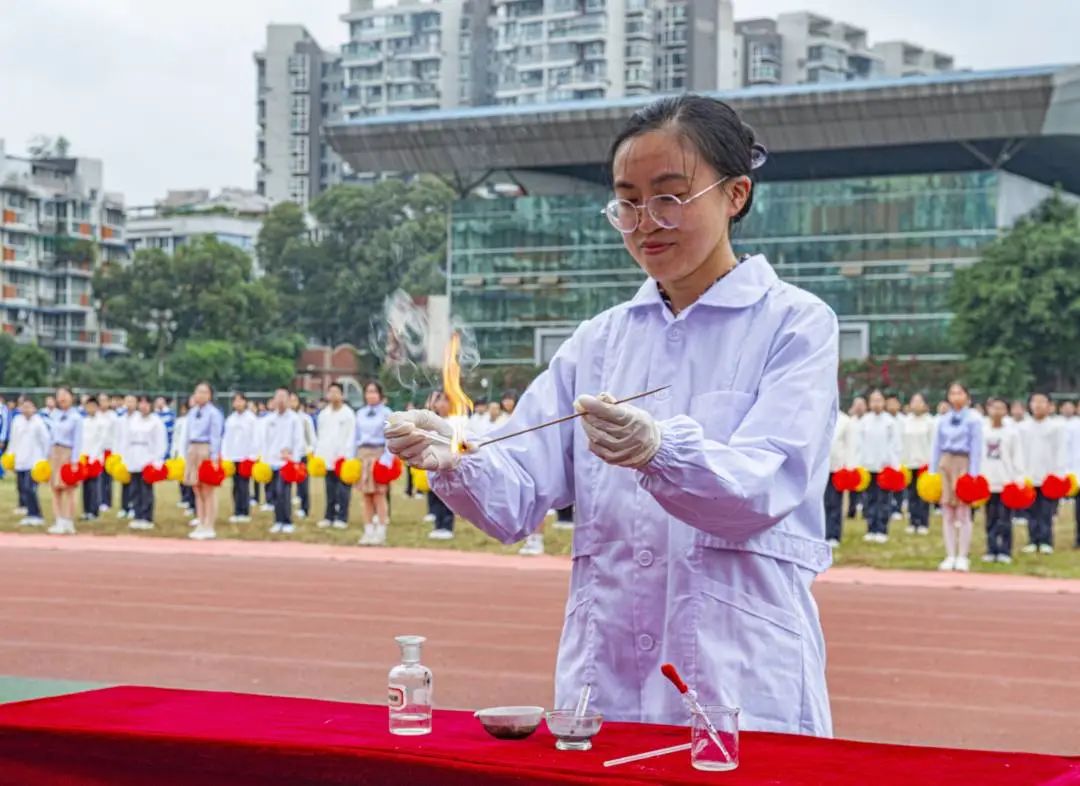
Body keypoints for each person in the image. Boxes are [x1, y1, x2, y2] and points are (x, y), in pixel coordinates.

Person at [387, 95, 837, 734]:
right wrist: (458, 455)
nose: (645, 221)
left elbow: (766, 485)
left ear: (735, 194)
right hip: (609, 675)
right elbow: (517, 495)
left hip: (739, 668)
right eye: (627, 202)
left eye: (669, 196)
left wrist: (664, 453)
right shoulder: (599, 342)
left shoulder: (795, 325)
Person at [931, 382, 983, 572]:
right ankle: (950, 554)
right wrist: (932, 471)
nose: (955, 397)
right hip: (946, 461)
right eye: (952, 393)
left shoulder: (974, 419)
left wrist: (974, 474)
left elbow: (977, 448)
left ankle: (963, 555)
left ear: (967, 397)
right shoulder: (943, 419)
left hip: (964, 461)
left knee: (963, 511)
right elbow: (936, 446)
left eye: (959, 393)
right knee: (947, 511)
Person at [1019, 392, 1067, 555]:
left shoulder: (1055, 428)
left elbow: (1060, 451)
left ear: (1049, 406)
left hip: (1049, 475)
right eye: (1035, 402)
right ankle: (1033, 540)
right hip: (1029, 473)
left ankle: (1046, 540)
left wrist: (1059, 473)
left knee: (1046, 510)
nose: (1038, 405)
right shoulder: (1023, 427)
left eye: (1042, 402)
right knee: (1031, 510)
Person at [981, 396, 1024, 564]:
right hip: (987, 481)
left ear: (1006, 411)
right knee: (990, 518)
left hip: (1006, 481)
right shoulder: (982, 430)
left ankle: (1005, 549)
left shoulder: (1012, 432)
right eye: (994, 407)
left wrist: (1018, 478)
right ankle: (992, 549)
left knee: (1005, 518)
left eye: (1001, 408)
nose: (997, 411)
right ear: (988, 409)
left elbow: (1017, 456)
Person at [858, 390, 901, 543]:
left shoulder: (890, 421)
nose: (876, 403)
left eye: (879, 400)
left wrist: (893, 466)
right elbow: (859, 444)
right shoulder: (864, 421)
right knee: (869, 499)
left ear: (884, 402)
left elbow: (895, 445)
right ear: (869, 403)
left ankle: (882, 529)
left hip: (885, 467)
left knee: (884, 500)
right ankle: (871, 528)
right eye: (873, 400)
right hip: (868, 466)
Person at [184, 382, 225, 541]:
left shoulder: (214, 413)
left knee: (208, 489)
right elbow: (187, 434)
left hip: (205, 448)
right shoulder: (192, 412)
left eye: (203, 392)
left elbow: (216, 436)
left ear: (209, 395)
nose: (200, 395)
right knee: (196, 487)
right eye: (197, 392)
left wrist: (214, 457)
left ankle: (209, 524)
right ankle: (200, 521)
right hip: (193, 448)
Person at [261, 387, 304, 534]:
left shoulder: (294, 419)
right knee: (273, 492)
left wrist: (294, 458)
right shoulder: (269, 419)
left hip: (287, 461)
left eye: (283, 397)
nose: (280, 401)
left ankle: (287, 521)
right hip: (272, 460)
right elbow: (265, 440)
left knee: (283, 491)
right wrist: (265, 458)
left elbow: (298, 440)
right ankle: (277, 520)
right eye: (278, 397)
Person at [355, 381, 392, 546]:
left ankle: (381, 531)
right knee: (365, 495)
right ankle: (368, 531)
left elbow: (391, 439)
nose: (370, 395)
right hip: (363, 454)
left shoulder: (387, 413)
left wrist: (386, 460)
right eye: (368, 392)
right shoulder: (360, 413)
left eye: (374, 392)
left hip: (379, 454)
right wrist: (352, 458)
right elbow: (354, 437)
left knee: (379, 495)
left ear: (380, 395)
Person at [315, 382, 355, 530]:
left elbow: (351, 436)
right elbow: (321, 435)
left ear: (342, 395)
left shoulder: (348, 414)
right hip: (327, 456)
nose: (333, 395)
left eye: (336, 392)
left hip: (343, 458)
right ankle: (329, 516)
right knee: (329, 490)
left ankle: (342, 517)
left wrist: (347, 455)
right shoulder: (324, 414)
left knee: (343, 490)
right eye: (330, 392)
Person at [125, 395, 167, 531]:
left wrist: (157, 461)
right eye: (141, 403)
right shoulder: (133, 420)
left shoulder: (156, 422)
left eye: (146, 404)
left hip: (148, 457)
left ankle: (146, 516)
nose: (143, 406)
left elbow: (161, 442)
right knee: (134, 489)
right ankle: (137, 515)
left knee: (146, 489)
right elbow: (126, 439)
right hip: (134, 456)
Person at [46, 387, 83, 535]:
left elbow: (78, 440)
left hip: (67, 452)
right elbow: (49, 437)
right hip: (55, 452)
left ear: (71, 397)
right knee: (56, 489)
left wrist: (74, 460)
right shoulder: (53, 415)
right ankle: (58, 520)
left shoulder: (76, 417)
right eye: (59, 395)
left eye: (65, 395)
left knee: (69, 489)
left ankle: (68, 521)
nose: (62, 398)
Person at [10, 398, 49, 526]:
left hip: (34, 462)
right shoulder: (17, 421)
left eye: (29, 407)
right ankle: (29, 513)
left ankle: (36, 515)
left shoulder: (38, 422)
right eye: (24, 406)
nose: (26, 409)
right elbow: (13, 440)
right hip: (20, 460)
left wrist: (45, 460)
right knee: (22, 488)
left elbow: (46, 441)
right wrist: (11, 456)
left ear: (34, 408)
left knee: (30, 488)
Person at [901, 392, 935, 535]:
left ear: (925, 405)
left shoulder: (930, 422)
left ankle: (923, 522)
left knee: (924, 494)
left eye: (919, 401)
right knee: (911, 494)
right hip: (909, 463)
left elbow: (933, 444)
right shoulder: (905, 421)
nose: (916, 404)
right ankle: (913, 521)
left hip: (924, 463)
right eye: (913, 401)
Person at [424, 390, 456, 541]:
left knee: (449, 496)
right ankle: (438, 525)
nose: (442, 404)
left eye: (445, 401)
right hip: (435, 463)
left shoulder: (456, 421)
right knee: (436, 495)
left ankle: (447, 526)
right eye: (439, 401)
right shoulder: (431, 422)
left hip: (450, 463)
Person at [222, 392, 258, 524]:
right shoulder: (230, 419)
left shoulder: (251, 419)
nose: (238, 403)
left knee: (244, 484)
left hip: (246, 456)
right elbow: (226, 439)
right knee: (235, 485)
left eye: (240, 400)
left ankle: (245, 511)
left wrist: (253, 455)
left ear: (245, 402)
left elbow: (255, 438)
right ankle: (237, 510)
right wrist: (225, 455)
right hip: (233, 456)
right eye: (235, 401)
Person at [80, 396, 111, 521]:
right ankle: (86, 510)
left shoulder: (102, 422)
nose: (90, 409)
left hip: (95, 458)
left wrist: (94, 456)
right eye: (88, 406)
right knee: (85, 485)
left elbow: (102, 441)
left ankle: (94, 510)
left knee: (95, 485)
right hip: (84, 456)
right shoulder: (84, 421)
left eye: (93, 406)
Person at [289, 392, 315, 519]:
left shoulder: (305, 419)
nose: (292, 403)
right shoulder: (285, 418)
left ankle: (304, 508)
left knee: (303, 483)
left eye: (294, 400)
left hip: (302, 454)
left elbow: (311, 438)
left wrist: (309, 451)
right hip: (288, 455)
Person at [116, 394, 138, 519]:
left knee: (135, 482)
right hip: (123, 454)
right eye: (127, 401)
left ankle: (133, 506)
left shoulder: (139, 419)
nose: (129, 404)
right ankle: (124, 507)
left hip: (135, 454)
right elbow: (117, 438)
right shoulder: (121, 420)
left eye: (132, 401)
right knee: (124, 482)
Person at [171, 400, 195, 515]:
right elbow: (176, 437)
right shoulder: (179, 421)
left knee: (190, 478)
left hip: (190, 453)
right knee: (181, 476)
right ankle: (184, 497)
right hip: (179, 450)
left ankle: (189, 500)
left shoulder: (191, 420)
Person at [845, 395, 867, 519]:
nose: (859, 407)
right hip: (852, 458)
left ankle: (865, 510)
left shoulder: (868, 421)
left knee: (865, 487)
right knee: (853, 487)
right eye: (856, 405)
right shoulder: (849, 422)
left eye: (861, 405)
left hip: (865, 459)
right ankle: (851, 510)